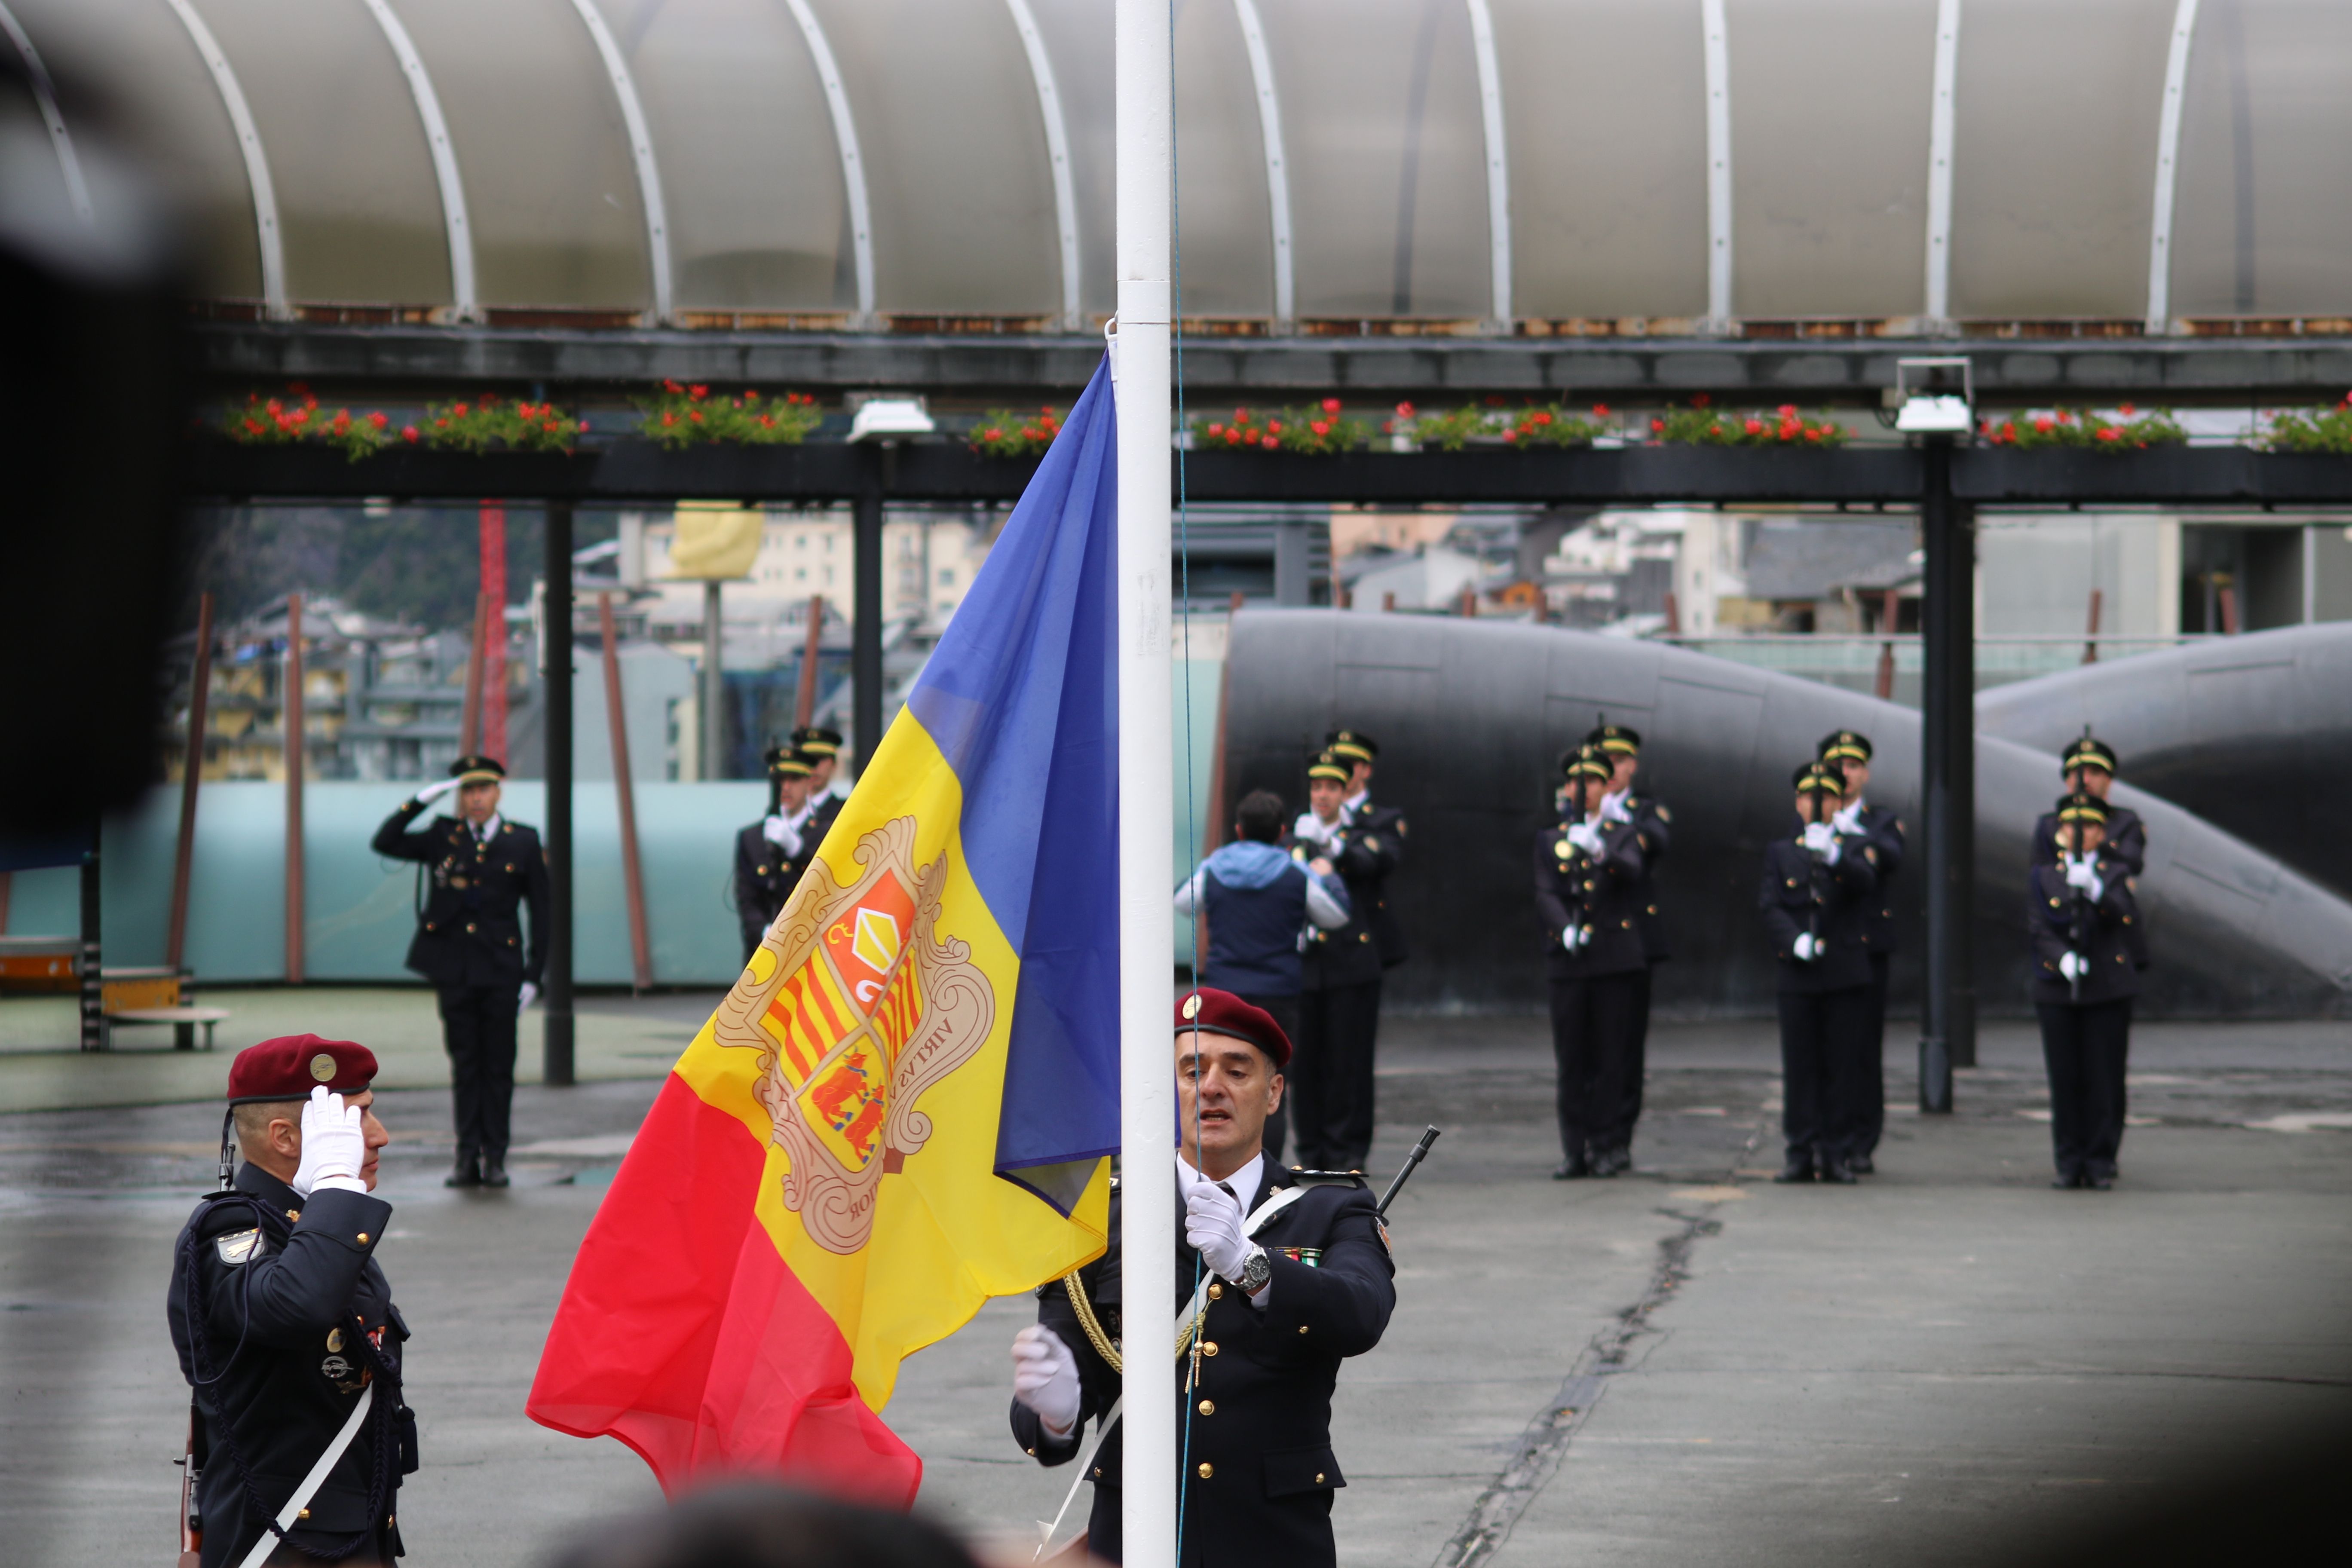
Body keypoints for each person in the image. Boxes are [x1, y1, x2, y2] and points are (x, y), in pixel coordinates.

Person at [1007, 989, 1395, 1568]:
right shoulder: (1104, 1218)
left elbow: (1361, 1314)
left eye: (1236, 1071)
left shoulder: (1330, 1211)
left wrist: (1253, 1266)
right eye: (1191, 1070)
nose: (1211, 1086)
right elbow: (1064, 1378)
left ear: (1273, 1092)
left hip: (1274, 1537)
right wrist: (1053, 1410)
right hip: (1135, 1536)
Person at [168, 1035, 414, 1568]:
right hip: (279, 1541)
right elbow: (295, 1306)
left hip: (349, 1533)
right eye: (356, 1121)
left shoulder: (311, 1228)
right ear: (286, 1138)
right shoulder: (230, 1235)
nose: (380, 1137)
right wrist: (334, 1185)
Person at [370, 755, 548, 1188]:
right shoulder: (442, 836)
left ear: (498, 791)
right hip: (456, 971)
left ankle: (496, 1158)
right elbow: (386, 841)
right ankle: (467, 1157)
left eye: (483, 789)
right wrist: (422, 799)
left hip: (503, 972)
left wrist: (533, 975)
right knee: (466, 1065)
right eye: (468, 790)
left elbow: (543, 912)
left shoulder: (521, 840)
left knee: (499, 1067)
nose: (476, 798)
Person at [1173, 788, 1353, 1166]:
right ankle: (1265, 1169)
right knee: (1268, 1085)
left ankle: (1210, 1162)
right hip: (1278, 996)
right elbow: (1335, 915)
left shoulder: (1215, 867)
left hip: (1222, 996)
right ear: (1282, 832)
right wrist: (1330, 873)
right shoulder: (1295, 871)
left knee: (1211, 1082)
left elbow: (1181, 902)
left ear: (1239, 830)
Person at [1537, 745, 1657, 1179]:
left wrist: (1600, 850)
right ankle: (1575, 1148)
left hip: (1613, 959)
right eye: (1575, 780)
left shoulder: (1621, 832)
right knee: (1572, 1059)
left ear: (1606, 787)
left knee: (1610, 1057)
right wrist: (1563, 928)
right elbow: (1546, 890)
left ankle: (1608, 1145)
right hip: (1568, 959)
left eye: (1591, 781)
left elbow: (1632, 868)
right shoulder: (1552, 837)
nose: (1581, 789)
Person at [1759, 763, 1881, 1185]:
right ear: (1797, 802)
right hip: (1798, 973)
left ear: (1837, 801)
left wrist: (1832, 854)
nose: (1817, 805)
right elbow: (1770, 904)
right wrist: (1793, 941)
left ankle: (1836, 1153)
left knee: (1840, 1066)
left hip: (1843, 971)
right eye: (1810, 797)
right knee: (1800, 1066)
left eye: (1827, 797)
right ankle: (1799, 1151)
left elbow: (1866, 880)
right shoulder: (1781, 851)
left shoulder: (1855, 845)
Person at [1289, 748, 1400, 1172]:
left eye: (1332, 788)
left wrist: (1331, 848)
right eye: (1316, 787)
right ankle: (1311, 1148)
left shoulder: (1359, 834)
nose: (1322, 795)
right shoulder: (1295, 836)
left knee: (1348, 1061)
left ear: (1344, 792)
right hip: (1307, 965)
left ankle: (1348, 1148)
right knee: (1307, 1061)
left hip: (1352, 964)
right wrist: (1296, 848)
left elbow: (1372, 859)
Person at [2030, 792, 2147, 1190]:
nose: (2081, 833)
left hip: (2106, 987)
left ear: (2101, 832)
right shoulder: (2044, 875)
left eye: (2091, 826)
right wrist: (2061, 958)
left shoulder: (2114, 874)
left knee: (2102, 1076)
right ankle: (2068, 1161)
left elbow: (2125, 915)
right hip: (2058, 987)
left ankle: (2099, 1161)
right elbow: (2037, 926)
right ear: (2061, 831)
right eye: (2072, 825)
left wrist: (2096, 890)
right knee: (2065, 1078)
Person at [1584, 721, 1672, 1165]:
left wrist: (1611, 823)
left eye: (1619, 760)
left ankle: (1618, 1136)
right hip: (1586, 936)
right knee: (1586, 1043)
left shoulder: (1642, 810)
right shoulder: (1574, 807)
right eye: (1604, 760)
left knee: (1626, 1043)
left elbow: (1657, 839)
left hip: (1632, 941)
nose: (1612, 768)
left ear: (1632, 765)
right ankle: (1586, 1135)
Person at [1818, 729, 1903, 1174]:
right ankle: (1828, 1133)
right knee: (1825, 1046)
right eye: (1837, 767)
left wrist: (1848, 835)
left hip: (1867, 949)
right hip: (1822, 945)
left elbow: (1890, 853)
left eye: (1852, 767)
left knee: (1864, 1046)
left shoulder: (1879, 821)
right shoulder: (1811, 817)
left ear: (1865, 773)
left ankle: (1861, 1139)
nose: (1845, 775)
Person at [734, 747, 817, 963]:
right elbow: (747, 898)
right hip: (766, 956)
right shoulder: (752, 838)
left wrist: (798, 851)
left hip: (812, 952)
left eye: (795, 779)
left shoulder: (826, 833)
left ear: (809, 782)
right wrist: (764, 933)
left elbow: (829, 886)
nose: (786, 788)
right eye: (780, 780)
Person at [2030, 734, 2147, 877]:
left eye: (2095, 773)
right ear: (2067, 780)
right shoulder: (2049, 826)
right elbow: (2039, 878)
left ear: (2109, 780)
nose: (2085, 780)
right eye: (2078, 773)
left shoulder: (2126, 823)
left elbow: (2133, 865)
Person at [790, 724, 848, 846]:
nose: (814, 767)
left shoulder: (846, 812)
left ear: (834, 764)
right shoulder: (786, 811)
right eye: (808, 760)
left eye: (820, 759)